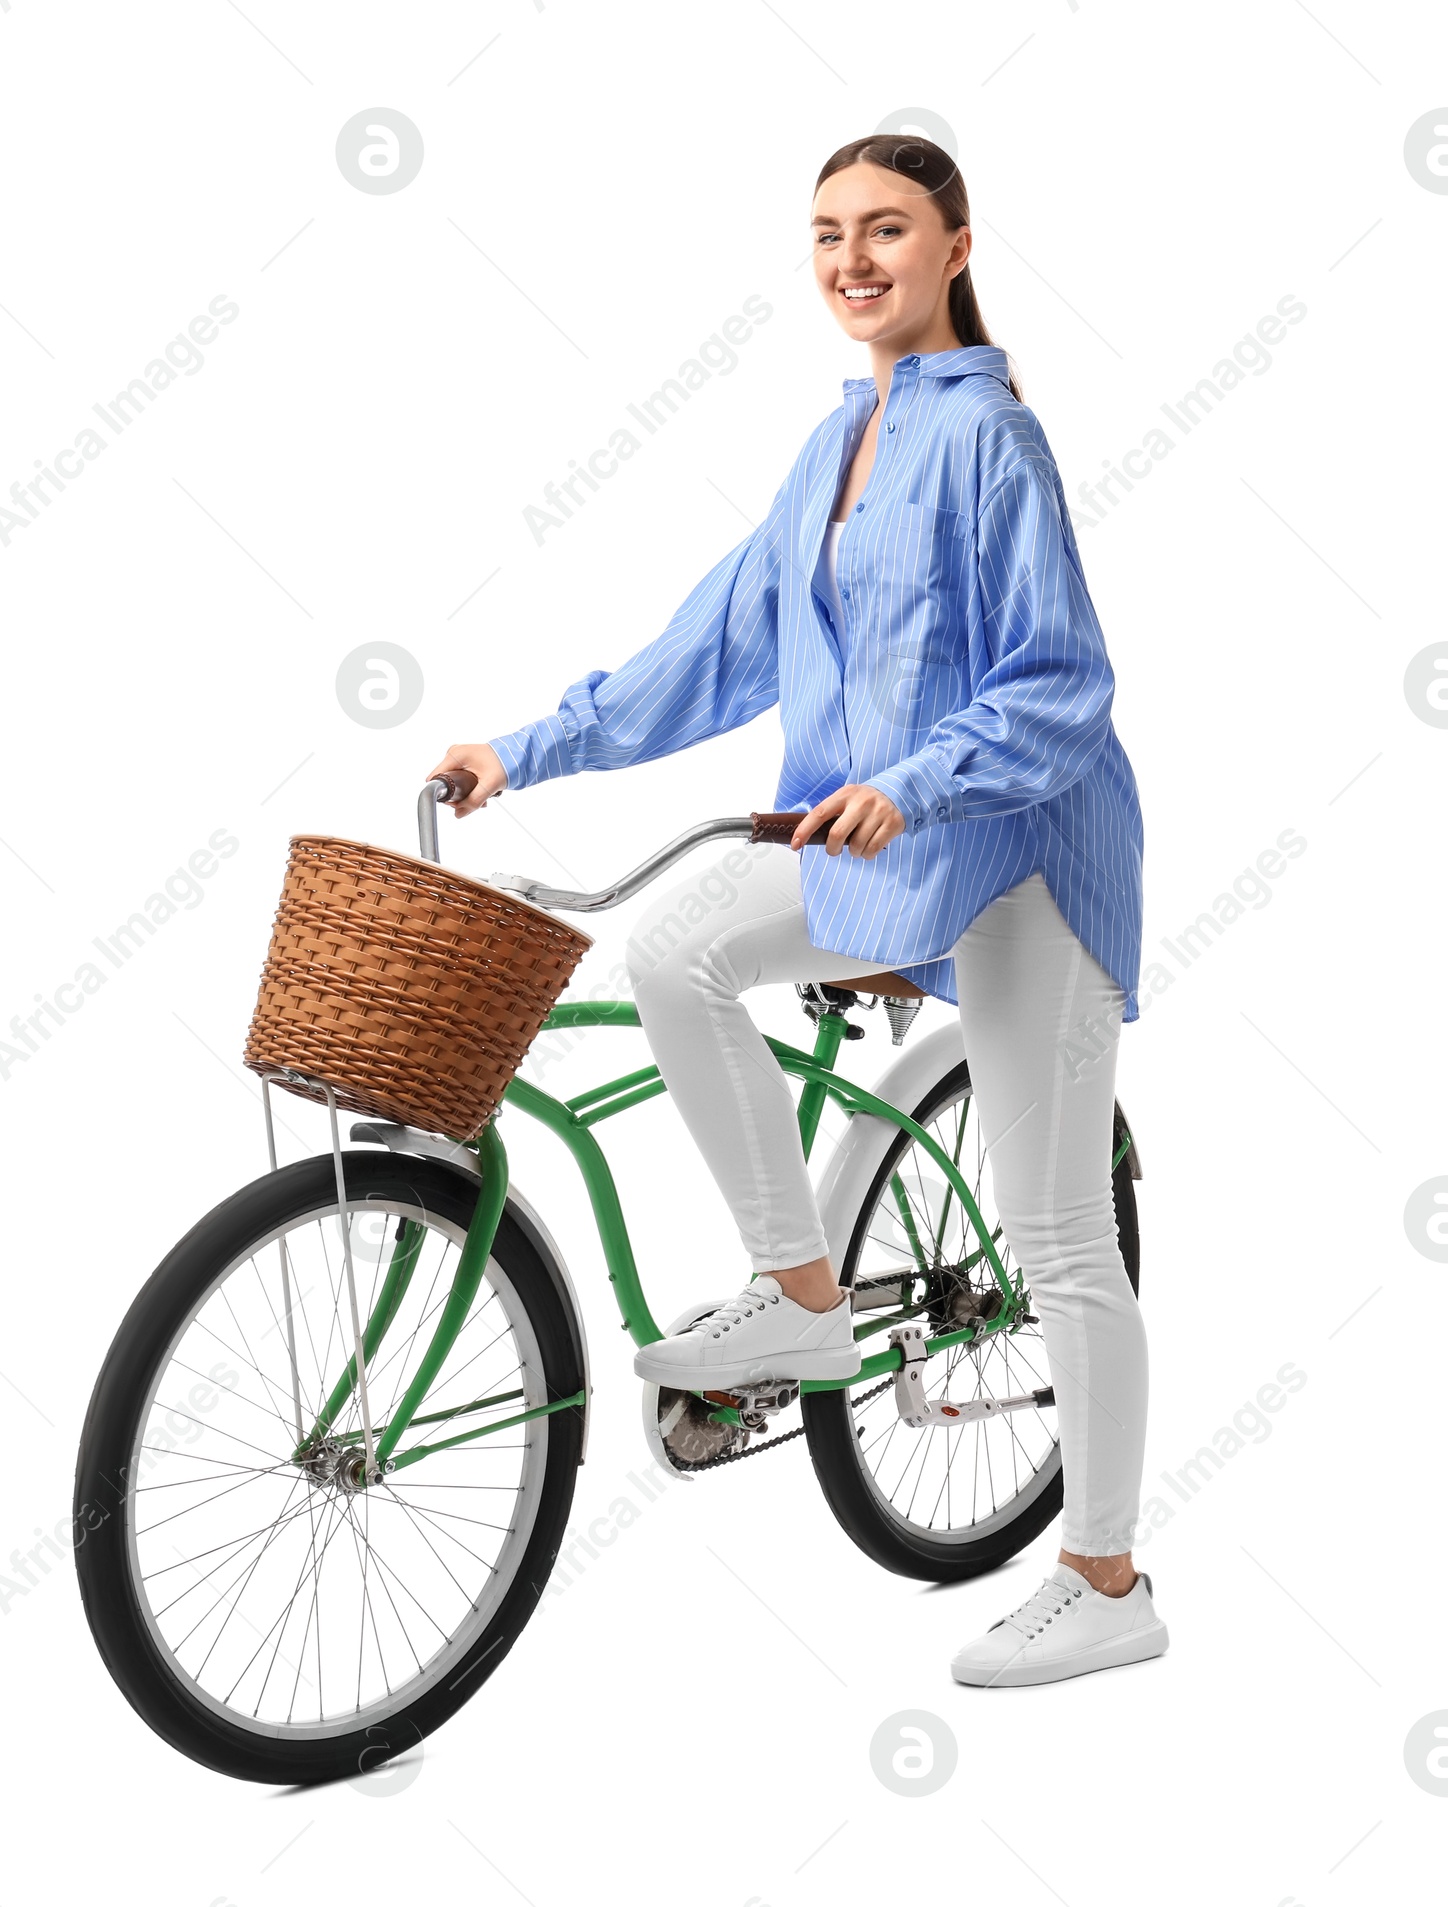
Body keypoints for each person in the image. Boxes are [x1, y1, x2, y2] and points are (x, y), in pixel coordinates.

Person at [429, 134, 1166, 1688]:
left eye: (886, 229)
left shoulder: (990, 440)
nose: (853, 259)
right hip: (880, 843)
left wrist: (925, 775)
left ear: (956, 246)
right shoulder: (836, 445)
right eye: (829, 233)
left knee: (1054, 1234)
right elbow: (712, 648)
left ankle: (1104, 1584)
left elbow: (1065, 684)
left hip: (1024, 841)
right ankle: (803, 1294)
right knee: (674, 947)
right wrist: (530, 746)